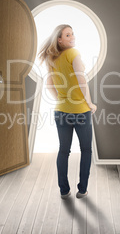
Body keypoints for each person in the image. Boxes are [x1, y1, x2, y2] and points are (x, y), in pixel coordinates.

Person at [38, 24, 97, 199]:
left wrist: (61, 99)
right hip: (80, 111)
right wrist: (90, 102)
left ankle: (64, 190)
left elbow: (49, 84)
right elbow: (81, 80)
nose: (72, 37)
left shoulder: (51, 58)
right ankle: (82, 189)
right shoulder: (73, 54)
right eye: (68, 34)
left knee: (64, 151)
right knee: (86, 150)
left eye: (72, 34)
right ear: (59, 39)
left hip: (61, 111)